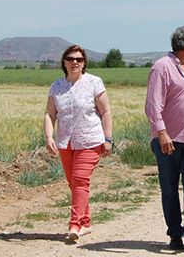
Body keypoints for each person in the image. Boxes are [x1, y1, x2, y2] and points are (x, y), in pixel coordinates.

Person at [144, 25, 184, 254]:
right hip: (168, 140)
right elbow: (152, 105)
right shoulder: (162, 67)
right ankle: (174, 234)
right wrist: (162, 132)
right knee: (169, 188)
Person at [44, 45, 113, 242]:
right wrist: (49, 137)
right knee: (74, 183)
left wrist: (108, 139)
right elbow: (50, 114)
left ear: (84, 63)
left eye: (79, 59)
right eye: (71, 58)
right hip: (66, 142)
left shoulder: (94, 82)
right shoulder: (56, 86)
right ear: (64, 62)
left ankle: (74, 224)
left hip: (90, 139)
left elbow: (106, 111)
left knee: (80, 180)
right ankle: (86, 223)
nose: (75, 62)